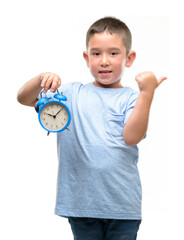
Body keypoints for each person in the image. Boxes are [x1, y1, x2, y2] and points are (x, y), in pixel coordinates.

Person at [17, 16, 167, 240]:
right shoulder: (70, 94)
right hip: (81, 205)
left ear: (129, 57)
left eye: (113, 53)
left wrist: (147, 94)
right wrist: (41, 79)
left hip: (123, 207)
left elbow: (132, 136)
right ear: (87, 58)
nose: (104, 61)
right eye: (96, 54)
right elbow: (24, 99)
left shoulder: (131, 99)